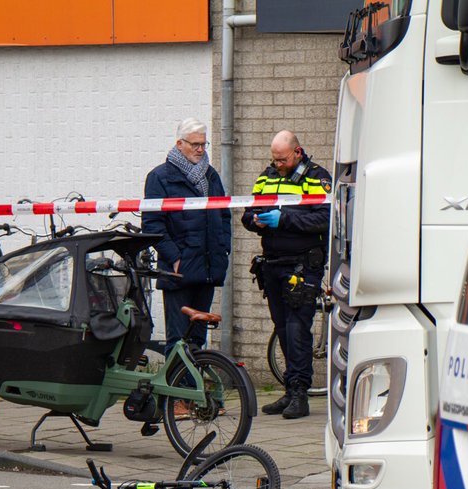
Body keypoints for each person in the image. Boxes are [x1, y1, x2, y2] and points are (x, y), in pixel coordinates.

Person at [241, 130, 332, 420]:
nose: (277, 164)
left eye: (282, 159)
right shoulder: (267, 175)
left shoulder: (317, 178)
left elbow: (326, 218)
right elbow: (247, 213)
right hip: (273, 264)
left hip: (303, 265)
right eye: (274, 159)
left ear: (297, 152)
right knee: (282, 328)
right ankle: (290, 390)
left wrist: (285, 218)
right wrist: (255, 221)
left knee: (296, 329)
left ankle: (300, 393)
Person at [142, 118, 231, 354]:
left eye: (204, 144)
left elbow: (223, 216)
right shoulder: (160, 177)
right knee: (178, 339)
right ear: (179, 144)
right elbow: (152, 225)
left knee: (197, 339)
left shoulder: (211, 176)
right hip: (178, 271)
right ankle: (176, 390)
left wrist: (223, 249)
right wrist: (175, 257)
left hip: (208, 268)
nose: (200, 150)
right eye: (195, 144)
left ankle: (194, 388)